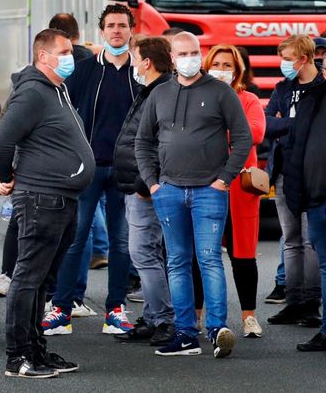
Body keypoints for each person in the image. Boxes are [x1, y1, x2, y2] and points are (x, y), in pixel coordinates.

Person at [135, 32, 252, 359]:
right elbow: (142, 142)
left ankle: (217, 329)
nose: (189, 58)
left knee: (209, 260)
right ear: (171, 57)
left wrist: (224, 179)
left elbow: (242, 138)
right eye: (182, 52)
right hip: (169, 191)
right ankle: (185, 334)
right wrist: (154, 184)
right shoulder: (159, 94)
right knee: (176, 262)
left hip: (209, 192)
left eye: (194, 52)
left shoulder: (220, 92)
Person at [0, 28, 94, 378]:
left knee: (42, 280)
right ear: (43, 57)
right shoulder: (34, 92)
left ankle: (36, 351)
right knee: (28, 277)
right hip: (42, 197)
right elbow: (3, 141)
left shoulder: (56, 90)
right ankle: (18, 357)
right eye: (64, 51)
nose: (71, 56)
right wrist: (7, 176)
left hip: (62, 197)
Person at [44, 5, 137, 337]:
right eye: (110, 26)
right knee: (75, 238)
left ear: (131, 31)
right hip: (88, 169)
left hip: (126, 171)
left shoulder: (140, 72)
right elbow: (64, 116)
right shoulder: (83, 71)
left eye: (122, 26)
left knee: (122, 243)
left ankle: (115, 310)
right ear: (101, 31)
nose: (116, 31)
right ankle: (61, 310)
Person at [192, 45, 267, 338]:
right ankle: (196, 316)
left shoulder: (248, 99)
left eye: (228, 64)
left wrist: (215, 130)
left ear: (237, 70)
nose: (222, 69)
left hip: (240, 190)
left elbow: (254, 134)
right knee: (201, 256)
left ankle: (249, 316)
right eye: (217, 63)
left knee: (243, 256)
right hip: (202, 186)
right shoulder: (197, 97)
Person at [112, 35, 176, 347]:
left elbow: (159, 144)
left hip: (145, 188)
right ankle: (153, 318)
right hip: (142, 185)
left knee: (144, 253)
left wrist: (142, 184)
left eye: (136, 59)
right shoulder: (154, 89)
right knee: (148, 253)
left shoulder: (160, 92)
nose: (134, 64)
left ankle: (163, 319)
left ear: (147, 63)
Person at [266, 34, 324, 328]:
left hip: (312, 175)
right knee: (291, 240)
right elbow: (267, 123)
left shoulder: (320, 90)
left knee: (312, 241)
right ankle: (293, 300)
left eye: (288, 58)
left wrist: (286, 125)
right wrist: (295, 124)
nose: (284, 64)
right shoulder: (282, 88)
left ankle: (311, 303)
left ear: (304, 59)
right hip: (284, 172)